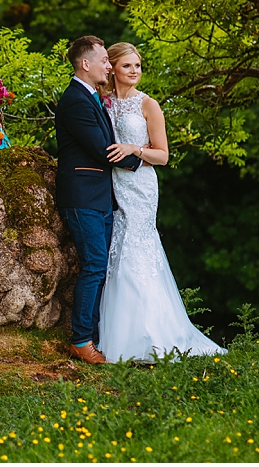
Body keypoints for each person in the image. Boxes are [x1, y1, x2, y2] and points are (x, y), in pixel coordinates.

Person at [97, 42, 226, 363]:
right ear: (112, 68)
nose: (135, 71)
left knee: (135, 247)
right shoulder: (102, 102)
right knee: (116, 247)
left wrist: (133, 149)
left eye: (138, 66)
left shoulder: (148, 105)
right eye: (128, 66)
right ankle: (118, 335)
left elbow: (163, 155)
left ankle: (152, 335)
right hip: (109, 184)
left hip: (140, 183)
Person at [54, 35, 142, 365]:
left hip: (99, 197)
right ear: (85, 64)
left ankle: (94, 334)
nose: (110, 65)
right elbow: (102, 149)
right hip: (82, 197)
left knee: (100, 267)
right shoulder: (75, 100)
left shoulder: (91, 96)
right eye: (105, 60)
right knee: (93, 267)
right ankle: (80, 341)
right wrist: (142, 161)